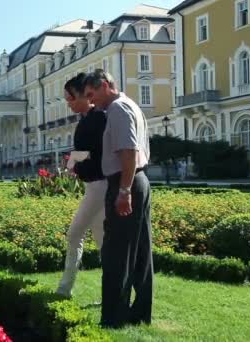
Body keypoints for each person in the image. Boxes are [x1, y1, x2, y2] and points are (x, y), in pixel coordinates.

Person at [83, 69, 153, 328]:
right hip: (138, 180)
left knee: (116, 254)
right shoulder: (130, 104)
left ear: (104, 85)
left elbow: (128, 151)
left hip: (127, 182)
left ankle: (113, 318)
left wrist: (123, 191)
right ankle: (140, 313)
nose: (91, 102)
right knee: (141, 252)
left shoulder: (117, 108)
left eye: (92, 94)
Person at [56, 72, 107, 297]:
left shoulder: (98, 119)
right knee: (101, 240)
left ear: (86, 94)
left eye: (71, 98)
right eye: (67, 100)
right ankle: (113, 292)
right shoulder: (89, 119)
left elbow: (97, 154)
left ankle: (64, 288)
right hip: (95, 185)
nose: (69, 104)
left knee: (75, 234)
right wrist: (75, 160)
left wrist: (74, 161)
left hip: (99, 185)